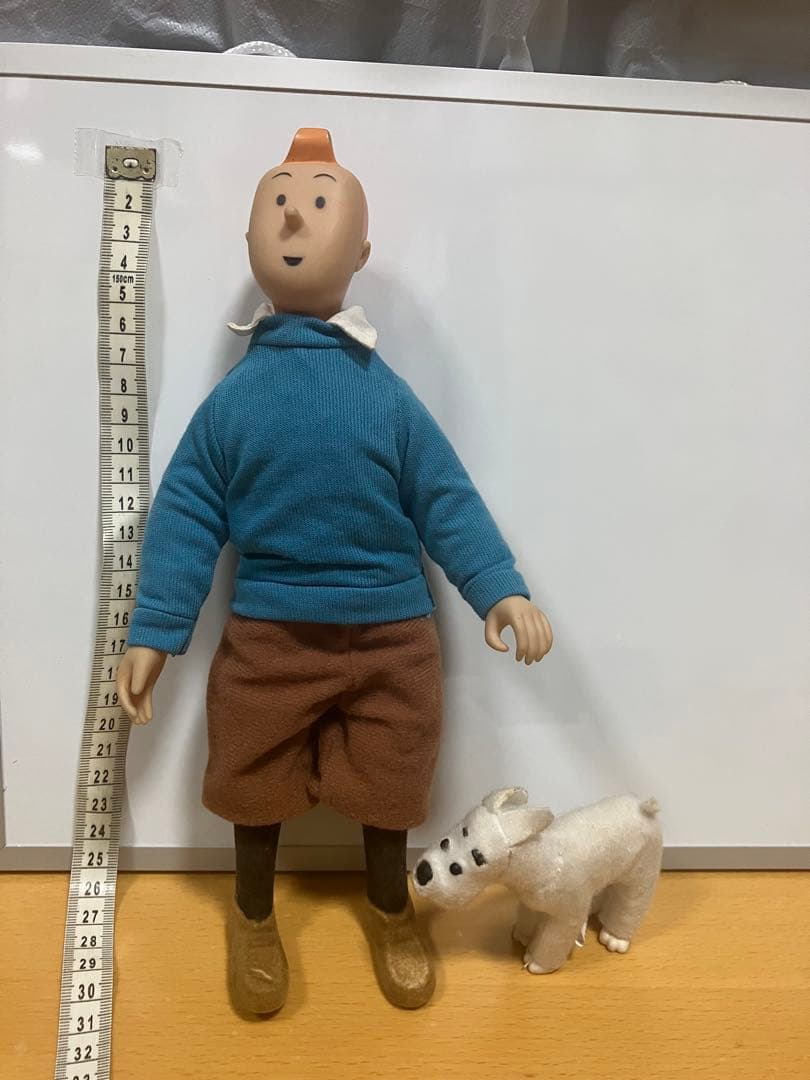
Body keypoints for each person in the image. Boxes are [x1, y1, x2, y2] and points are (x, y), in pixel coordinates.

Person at [117, 127, 553, 1015]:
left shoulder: (385, 395)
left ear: (359, 252)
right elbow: (187, 514)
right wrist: (155, 630)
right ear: (249, 239)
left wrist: (498, 587)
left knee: (393, 779)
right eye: (278, 201)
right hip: (268, 637)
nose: (293, 216)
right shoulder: (233, 403)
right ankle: (252, 914)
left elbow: (444, 496)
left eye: (319, 202)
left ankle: (391, 908)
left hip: (393, 638)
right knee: (250, 776)